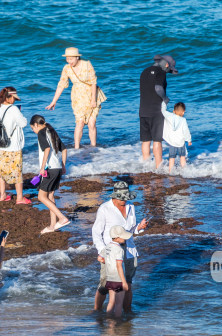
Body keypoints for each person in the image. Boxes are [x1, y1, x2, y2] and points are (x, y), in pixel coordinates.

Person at [92, 181, 148, 313]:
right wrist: (102, 251)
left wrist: (139, 228)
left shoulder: (131, 207)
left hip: (129, 250)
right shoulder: (104, 209)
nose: (124, 201)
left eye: (126, 198)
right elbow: (96, 232)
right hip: (111, 252)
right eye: (122, 198)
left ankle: (127, 314)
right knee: (105, 285)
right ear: (114, 196)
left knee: (128, 283)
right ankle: (96, 311)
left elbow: (131, 229)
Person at [46, 47, 102, 149]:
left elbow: (93, 82)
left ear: (77, 57)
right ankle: (76, 148)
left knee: (91, 123)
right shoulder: (66, 68)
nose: (69, 61)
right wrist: (54, 101)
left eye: (71, 59)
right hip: (78, 98)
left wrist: (93, 99)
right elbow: (61, 85)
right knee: (79, 123)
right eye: (67, 59)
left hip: (91, 95)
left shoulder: (87, 65)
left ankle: (93, 147)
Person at [0, 87, 29, 204]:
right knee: (17, 172)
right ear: (8, 97)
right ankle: (19, 198)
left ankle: (3, 195)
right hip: (12, 145)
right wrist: (20, 114)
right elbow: (23, 123)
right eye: (14, 98)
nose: (14, 100)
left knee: (0, 171)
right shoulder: (13, 109)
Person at [29, 114, 69, 233]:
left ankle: (62, 218)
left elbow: (46, 149)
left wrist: (42, 167)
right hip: (56, 168)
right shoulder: (52, 132)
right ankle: (52, 225)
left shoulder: (41, 132)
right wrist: (63, 165)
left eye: (32, 129)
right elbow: (64, 149)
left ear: (36, 125)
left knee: (41, 197)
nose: (34, 131)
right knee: (50, 196)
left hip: (49, 169)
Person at [139, 54, 177, 168]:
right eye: (168, 69)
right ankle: (158, 166)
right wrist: (165, 98)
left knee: (145, 140)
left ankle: (146, 166)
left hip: (143, 110)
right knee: (157, 140)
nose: (167, 71)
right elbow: (158, 88)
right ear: (166, 64)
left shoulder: (144, 71)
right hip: (155, 111)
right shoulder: (160, 72)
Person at [102, 226, 132, 318]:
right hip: (118, 280)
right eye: (123, 237)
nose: (125, 238)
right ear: (117, 238)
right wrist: (124, 282)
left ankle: (109, 324)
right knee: (119, 304)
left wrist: (109, 263)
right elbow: (119, 266)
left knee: (111, 301)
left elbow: (100, 258)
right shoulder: (119, 249)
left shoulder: (107, 247)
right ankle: (117, 323)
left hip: (109, 278)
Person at [162, 102, 192, 173]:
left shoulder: (170, 116)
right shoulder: (183, 120)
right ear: (183, 112)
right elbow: (186, 131)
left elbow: (163, 111)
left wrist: (164, 102)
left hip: (172, 142)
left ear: (174, 111)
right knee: (182, 157)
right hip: (180, 143)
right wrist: (189, 140)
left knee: (171, 158)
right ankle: (184, 171)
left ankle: (170, 171)